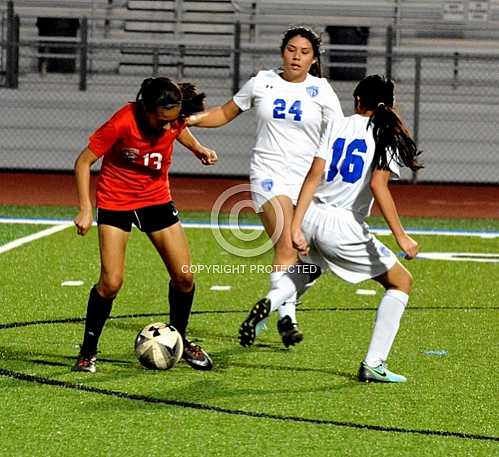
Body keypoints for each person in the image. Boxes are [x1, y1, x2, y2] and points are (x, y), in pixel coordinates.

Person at [244, 74, 423, 382]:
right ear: (389, 106)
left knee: (308, 270)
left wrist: (297, 226)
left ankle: (271, 302)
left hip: (312, 214)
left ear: (356, 101)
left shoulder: (337, 125)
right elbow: (380, 188)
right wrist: (401, 236)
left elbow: (313, 176)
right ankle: (374, 363)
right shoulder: (385, 134)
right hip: (342, 225)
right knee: (401, 283)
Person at [188, 26, 343, 347]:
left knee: (314, 260)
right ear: (282, 51)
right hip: (268, 174)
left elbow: (339, 135)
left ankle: (280, 307)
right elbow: (223, 112)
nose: (296, 56)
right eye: (291, 49)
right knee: (286, 245)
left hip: (308, 182)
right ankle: (287, 318)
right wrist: (189, 120)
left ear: (314, 60)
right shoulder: (262, 82)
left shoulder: (322, 91)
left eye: (304, 52)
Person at [72, 77, 218, 373]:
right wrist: (86, 209)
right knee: (111, 282)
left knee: (184, 278)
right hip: (116, 201)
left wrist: (198, 148)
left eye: (172, 121)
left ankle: (179, 339)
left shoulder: (173, 118)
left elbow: (180, 130)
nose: (169, 127)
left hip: (156, 200)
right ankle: (88, 351)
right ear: (147, 109)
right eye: (163, 121)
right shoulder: (123, 121)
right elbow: (83, 162)